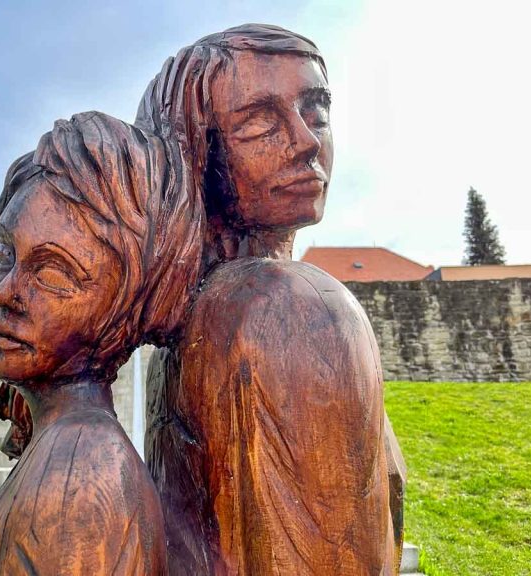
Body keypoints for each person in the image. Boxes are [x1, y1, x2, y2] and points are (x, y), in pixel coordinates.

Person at [135, 24, 399, 574]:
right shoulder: (287, 310)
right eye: (260, 122)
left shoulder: (189, 329)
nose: (306, 141)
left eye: (316, 110)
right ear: (197, 154)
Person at [0, 112, 203, 575]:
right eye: (4, 253)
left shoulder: (82, 473)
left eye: (53, 272)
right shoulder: (62, 447)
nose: (5, 291)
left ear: (121, 307)